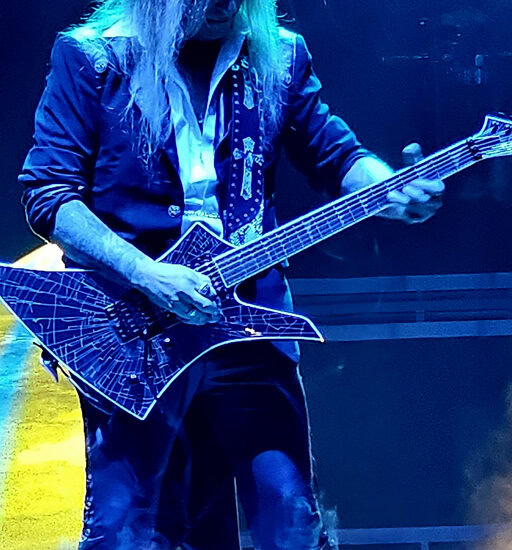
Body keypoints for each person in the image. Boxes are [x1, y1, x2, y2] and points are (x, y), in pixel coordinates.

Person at [19, 0, 444, 548]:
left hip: (248, 325)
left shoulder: (278, 57)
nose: (226, 3)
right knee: (133, 532)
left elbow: (337, 156)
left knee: (291, 523)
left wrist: (389, 190)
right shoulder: (92, 58)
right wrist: (147, 274)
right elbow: (49, 195)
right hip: (135, 334)